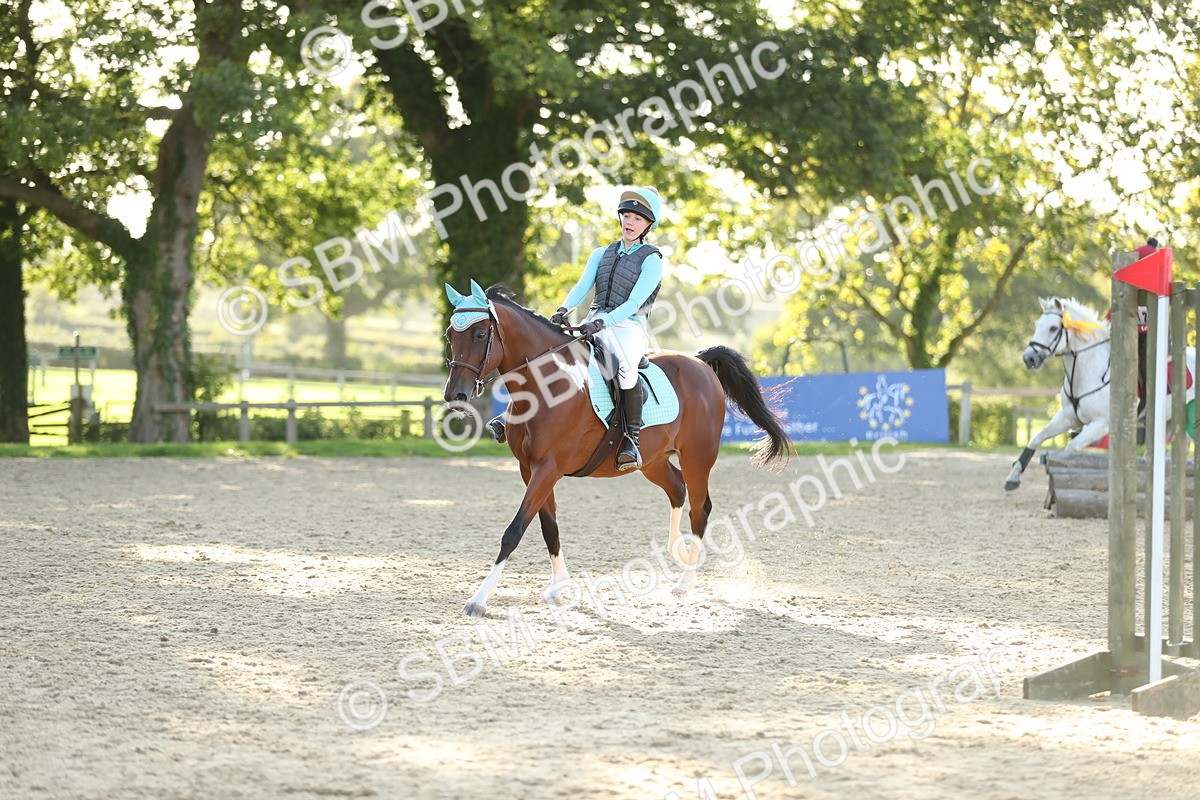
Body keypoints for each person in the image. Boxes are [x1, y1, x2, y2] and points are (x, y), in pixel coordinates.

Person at [487, 187, 664, 471]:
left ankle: (631, 439)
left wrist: (603, 322)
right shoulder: (601, 253)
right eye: (627, 216)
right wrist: (561, 310)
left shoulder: (652, 260)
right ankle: (512, 417)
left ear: (648, 225)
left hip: (628, 326)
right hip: (593, 320)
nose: (630, 223)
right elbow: (582, 287)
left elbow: (633, 302)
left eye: (638, 220)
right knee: (550, 357)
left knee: (625, 369)